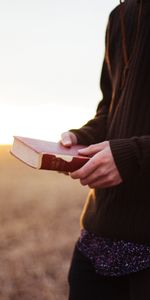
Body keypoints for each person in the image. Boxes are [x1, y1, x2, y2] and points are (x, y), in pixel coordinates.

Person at [61, 0, 150, 299]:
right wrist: (81, 137)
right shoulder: (121, 15)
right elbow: (111, 106)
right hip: (97, 241)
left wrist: (133, 156)